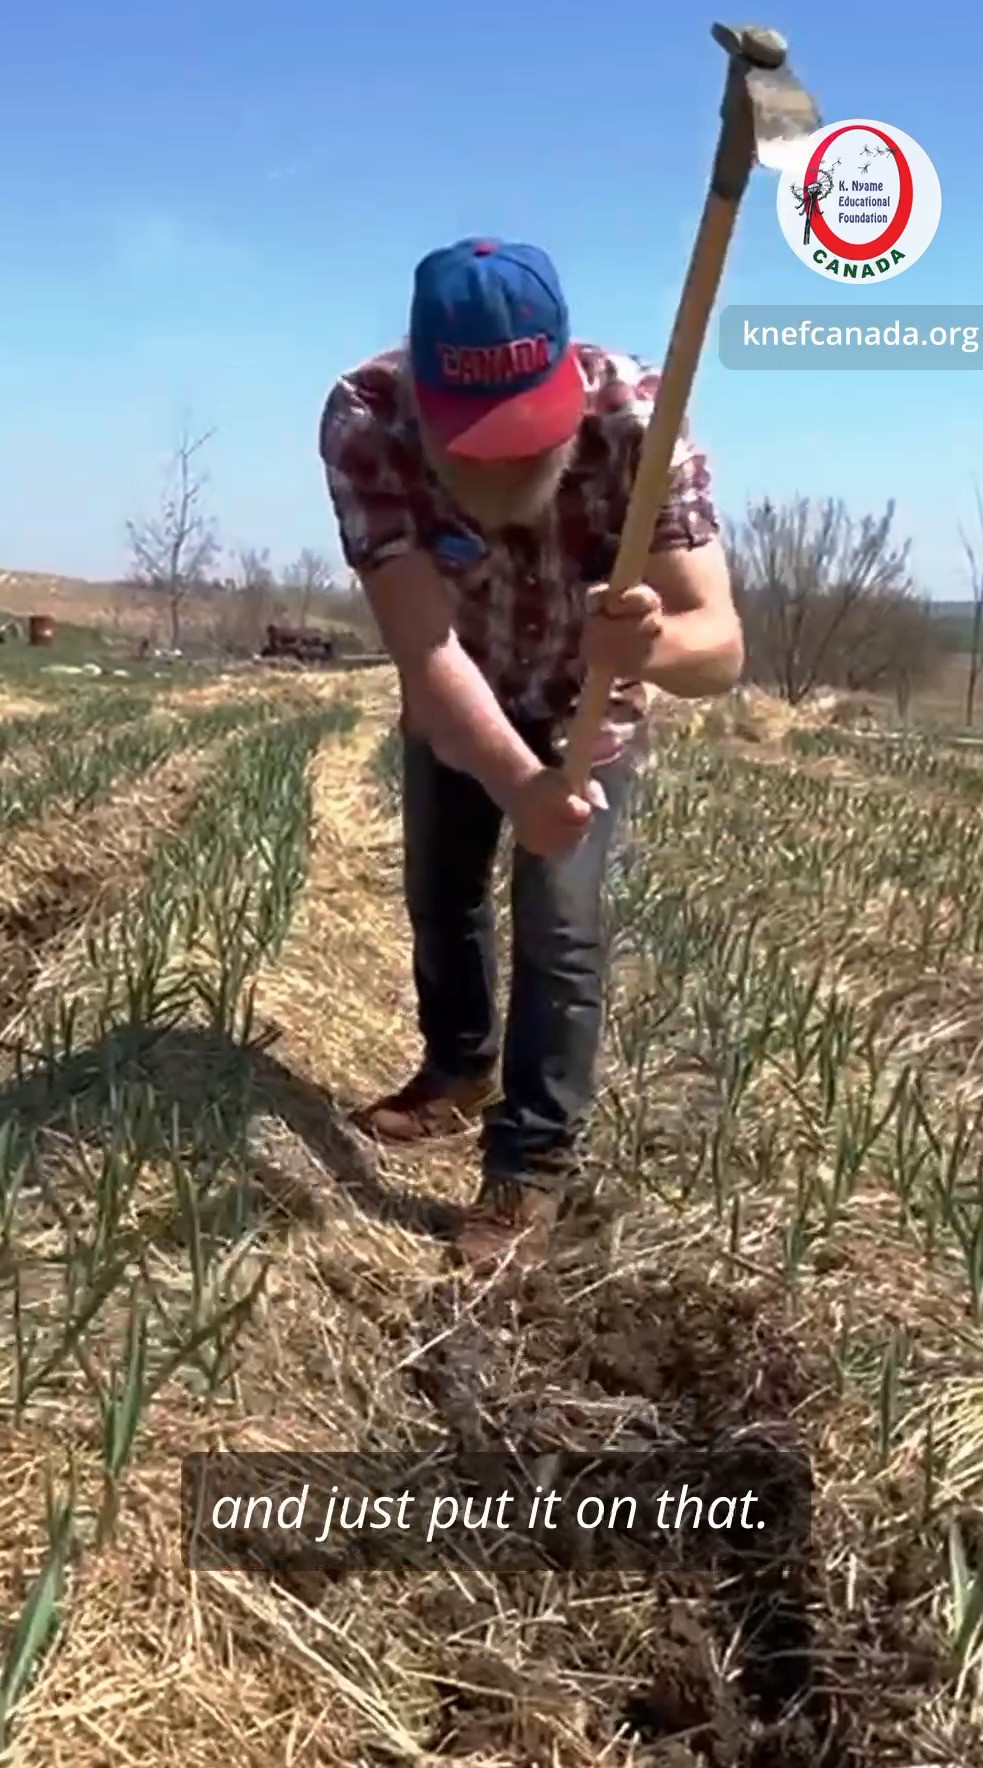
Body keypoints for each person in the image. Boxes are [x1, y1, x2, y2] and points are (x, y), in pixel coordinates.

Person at [319, 237, 742, 1273]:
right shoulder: (366, 423)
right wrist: (516, 783)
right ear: (425, 398)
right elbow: (425, 651)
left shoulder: (643, 421)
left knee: (562, 925)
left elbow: (718, 649)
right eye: (478, 442)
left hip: (586, 707)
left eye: (527, 436)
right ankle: (457, 1070)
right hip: (462, 691)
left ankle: (530, 1164)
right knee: (440, 887)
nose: (504, 464)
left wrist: (650, 645)